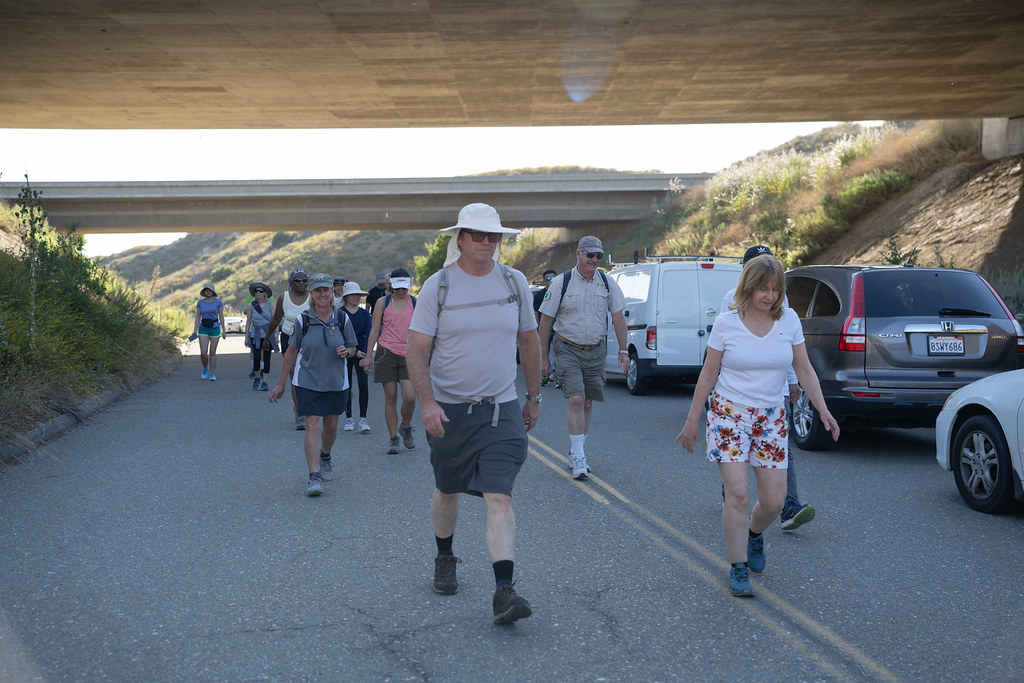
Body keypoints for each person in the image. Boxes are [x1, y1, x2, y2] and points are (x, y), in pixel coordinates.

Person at [405, 202, 541, 626]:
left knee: (499, 497)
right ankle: (445, 556)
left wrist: (533, 396)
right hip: (448, 411)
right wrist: (427, 405)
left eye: (494, 236)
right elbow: (416, 350)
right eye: (478, 235)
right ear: (459, 238)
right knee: (447, 490)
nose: (487, 242)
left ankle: (504, 591)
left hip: (500, 410)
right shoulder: (438, 287)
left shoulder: (513, 282)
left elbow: (530, 342)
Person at [675, 254, 839, 598]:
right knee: (737, 493)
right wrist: (692, 420)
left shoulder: (789, 320)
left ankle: (754, 534)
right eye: (763, 288)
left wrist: (823, 410)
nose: (770, 295)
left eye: (776, 289)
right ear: (748, 287)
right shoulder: (726, 323)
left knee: (774, 502)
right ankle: (738, 567)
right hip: (728, 414)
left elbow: (805, 369)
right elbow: (709, 373)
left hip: (771, 417)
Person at [721, 245, 816, 532]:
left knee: (782, 448)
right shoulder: (731, 300)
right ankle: (734, 495)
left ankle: (788, 504)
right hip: (737, 397)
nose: (769, 292)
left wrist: (792, 381)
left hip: (775, 392)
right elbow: (726, 348)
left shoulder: (780, 301)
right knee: (736, 452)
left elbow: (785, 348)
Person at [537, 236, 628, 480]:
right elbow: (545, 321)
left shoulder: (607, 283)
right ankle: (578, 456)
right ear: (579, 254)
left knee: (588, 402)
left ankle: (577, 450)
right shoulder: (561, 283)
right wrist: (543, 358)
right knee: (576, 398)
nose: (595, 260)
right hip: (567, 348)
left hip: (596, 351)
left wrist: (624, 350)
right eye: (590, 255)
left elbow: (618, 317)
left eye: (599, 256)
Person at [268, 273, 357, 496]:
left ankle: (325, 455)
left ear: (332, 292)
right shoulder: (303, 320)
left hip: (336, 381)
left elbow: (353, 347)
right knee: (312, 424)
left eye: (326, 289)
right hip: (307, 380)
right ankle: (313, 475)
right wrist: (280, 385)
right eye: (317, 290)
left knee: (332, 425)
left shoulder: (342, 318)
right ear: (312, 294)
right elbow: (290, 353)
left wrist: (348, 351)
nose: (322, 294)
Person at [361, 267, 418, 454]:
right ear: (391, 285)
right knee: (391, 397)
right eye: (397, 288)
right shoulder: (382, 302)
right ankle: (393, 438)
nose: (401, 291)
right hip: (386, 351)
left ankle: (406, 426)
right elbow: (375, 329)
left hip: (409, 353)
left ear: (408, 286)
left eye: (404, 288)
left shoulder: (415, 303)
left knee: (409, 397)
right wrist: (368, 356)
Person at [265, 269, 311, 430]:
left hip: (309, 339)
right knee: (295, 375)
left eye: (304, 280)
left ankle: (310, 407)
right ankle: (299, 413)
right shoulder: (283, 298)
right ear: (291, 282)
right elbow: (276, 319)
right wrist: (267, 338)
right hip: (289, 337)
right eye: (297, 280)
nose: (301, 283)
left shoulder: (313, 297)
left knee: (309, 374)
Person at [339, 281, 373, 433]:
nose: (355, 297)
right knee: (347, 386)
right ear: (345, 297)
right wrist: (351, 350)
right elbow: (338, 335)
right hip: (345, 353)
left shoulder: (364, 314)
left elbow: (369, 335)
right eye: (352, 294)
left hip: (362, 354)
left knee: (363, 385)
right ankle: (349, 419)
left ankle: (363, 419)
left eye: (358, 295)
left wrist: (365, 354)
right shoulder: (339, 313)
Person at [244, 281, 278, 391]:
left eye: (260, 291)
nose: (258, 293)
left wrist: (276, 335)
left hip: (268, 334)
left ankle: (265, 382)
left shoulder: (271, 305)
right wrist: (246, 337)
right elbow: (248, 322)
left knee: (267, 358)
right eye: (256, 291)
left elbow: (275, 321)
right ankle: (257, 377)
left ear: (265, 293)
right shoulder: (251, 305)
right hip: (256, 334)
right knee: (257, 357)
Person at [191, 283, 225, 381]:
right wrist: (194, 331)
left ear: (213, 291)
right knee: (203, 353)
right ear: (204, 292)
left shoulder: (218, 302)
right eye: (206, 290)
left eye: (209, 290)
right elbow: (197, 317)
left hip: (215, 327)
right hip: (203, 328)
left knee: (212, 352)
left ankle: (212, 374)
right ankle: (205, 367)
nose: (208, 292)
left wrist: (224, 330)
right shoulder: (200, 303)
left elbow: (221, 316)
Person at [534, 269, 558, 386]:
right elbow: (535, 312)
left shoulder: (561, 292)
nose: (551, 281)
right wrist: (538, 328)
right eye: (548, 279)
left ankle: (558, 378)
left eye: (553, 278)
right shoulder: (539, 295)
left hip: (558, 330)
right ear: (544, 281)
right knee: (544, 354)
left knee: (558, 354)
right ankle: (545, 377)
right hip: (544, 330)